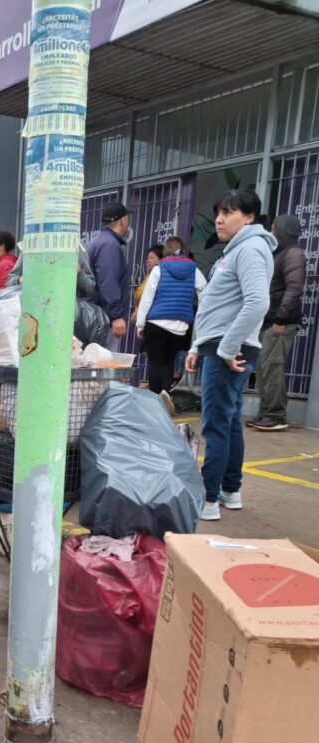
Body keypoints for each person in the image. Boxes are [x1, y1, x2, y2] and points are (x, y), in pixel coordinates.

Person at [185, 190, 276, 522]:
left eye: (228, 212)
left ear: (249, 217)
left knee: (216, 425)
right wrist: (197, 346)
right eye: (218, 213)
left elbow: (258, 302)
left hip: (228, 349)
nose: (219, 220)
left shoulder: (250, 248)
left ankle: (208, 500)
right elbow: (218, 304)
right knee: (228, 422)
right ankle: (229, 491)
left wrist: (224, 348)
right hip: (220, 345)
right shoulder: (235, 250)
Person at [247, 214, 307, 431]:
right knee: (264, 367)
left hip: (281, 321)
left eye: (274, 229)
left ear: (282, 230)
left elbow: (294, 288)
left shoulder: (293, 253)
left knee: (271, 366)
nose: (271, 232)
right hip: (270, 319)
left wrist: (281, 318)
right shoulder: (278, 253)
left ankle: (275, 415)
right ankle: (266, 413)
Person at [136, 238, 206, 394]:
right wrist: (200, 314)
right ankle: (165, 396)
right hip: (180, 327)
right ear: (183, 250)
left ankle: (154, 398)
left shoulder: (159, 269)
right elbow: (205, 291)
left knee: (155, 363)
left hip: (155, 324)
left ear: (165, 251)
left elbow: (147, 299)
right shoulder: (193, 269)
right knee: (168, 364)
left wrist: (140, 325)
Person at [87, 202, 131, 343]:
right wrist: (116, 315)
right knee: (102, 356)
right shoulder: (109, 244)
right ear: (123, 220)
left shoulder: (99, 241)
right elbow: (108, 281)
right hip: (102, 318)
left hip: (94, 315)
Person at [133, 245, 164, 312]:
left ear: (161, 260)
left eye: (151, 257)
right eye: (147, 258)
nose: (148, 261)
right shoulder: (149, 276)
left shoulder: (161, 276)